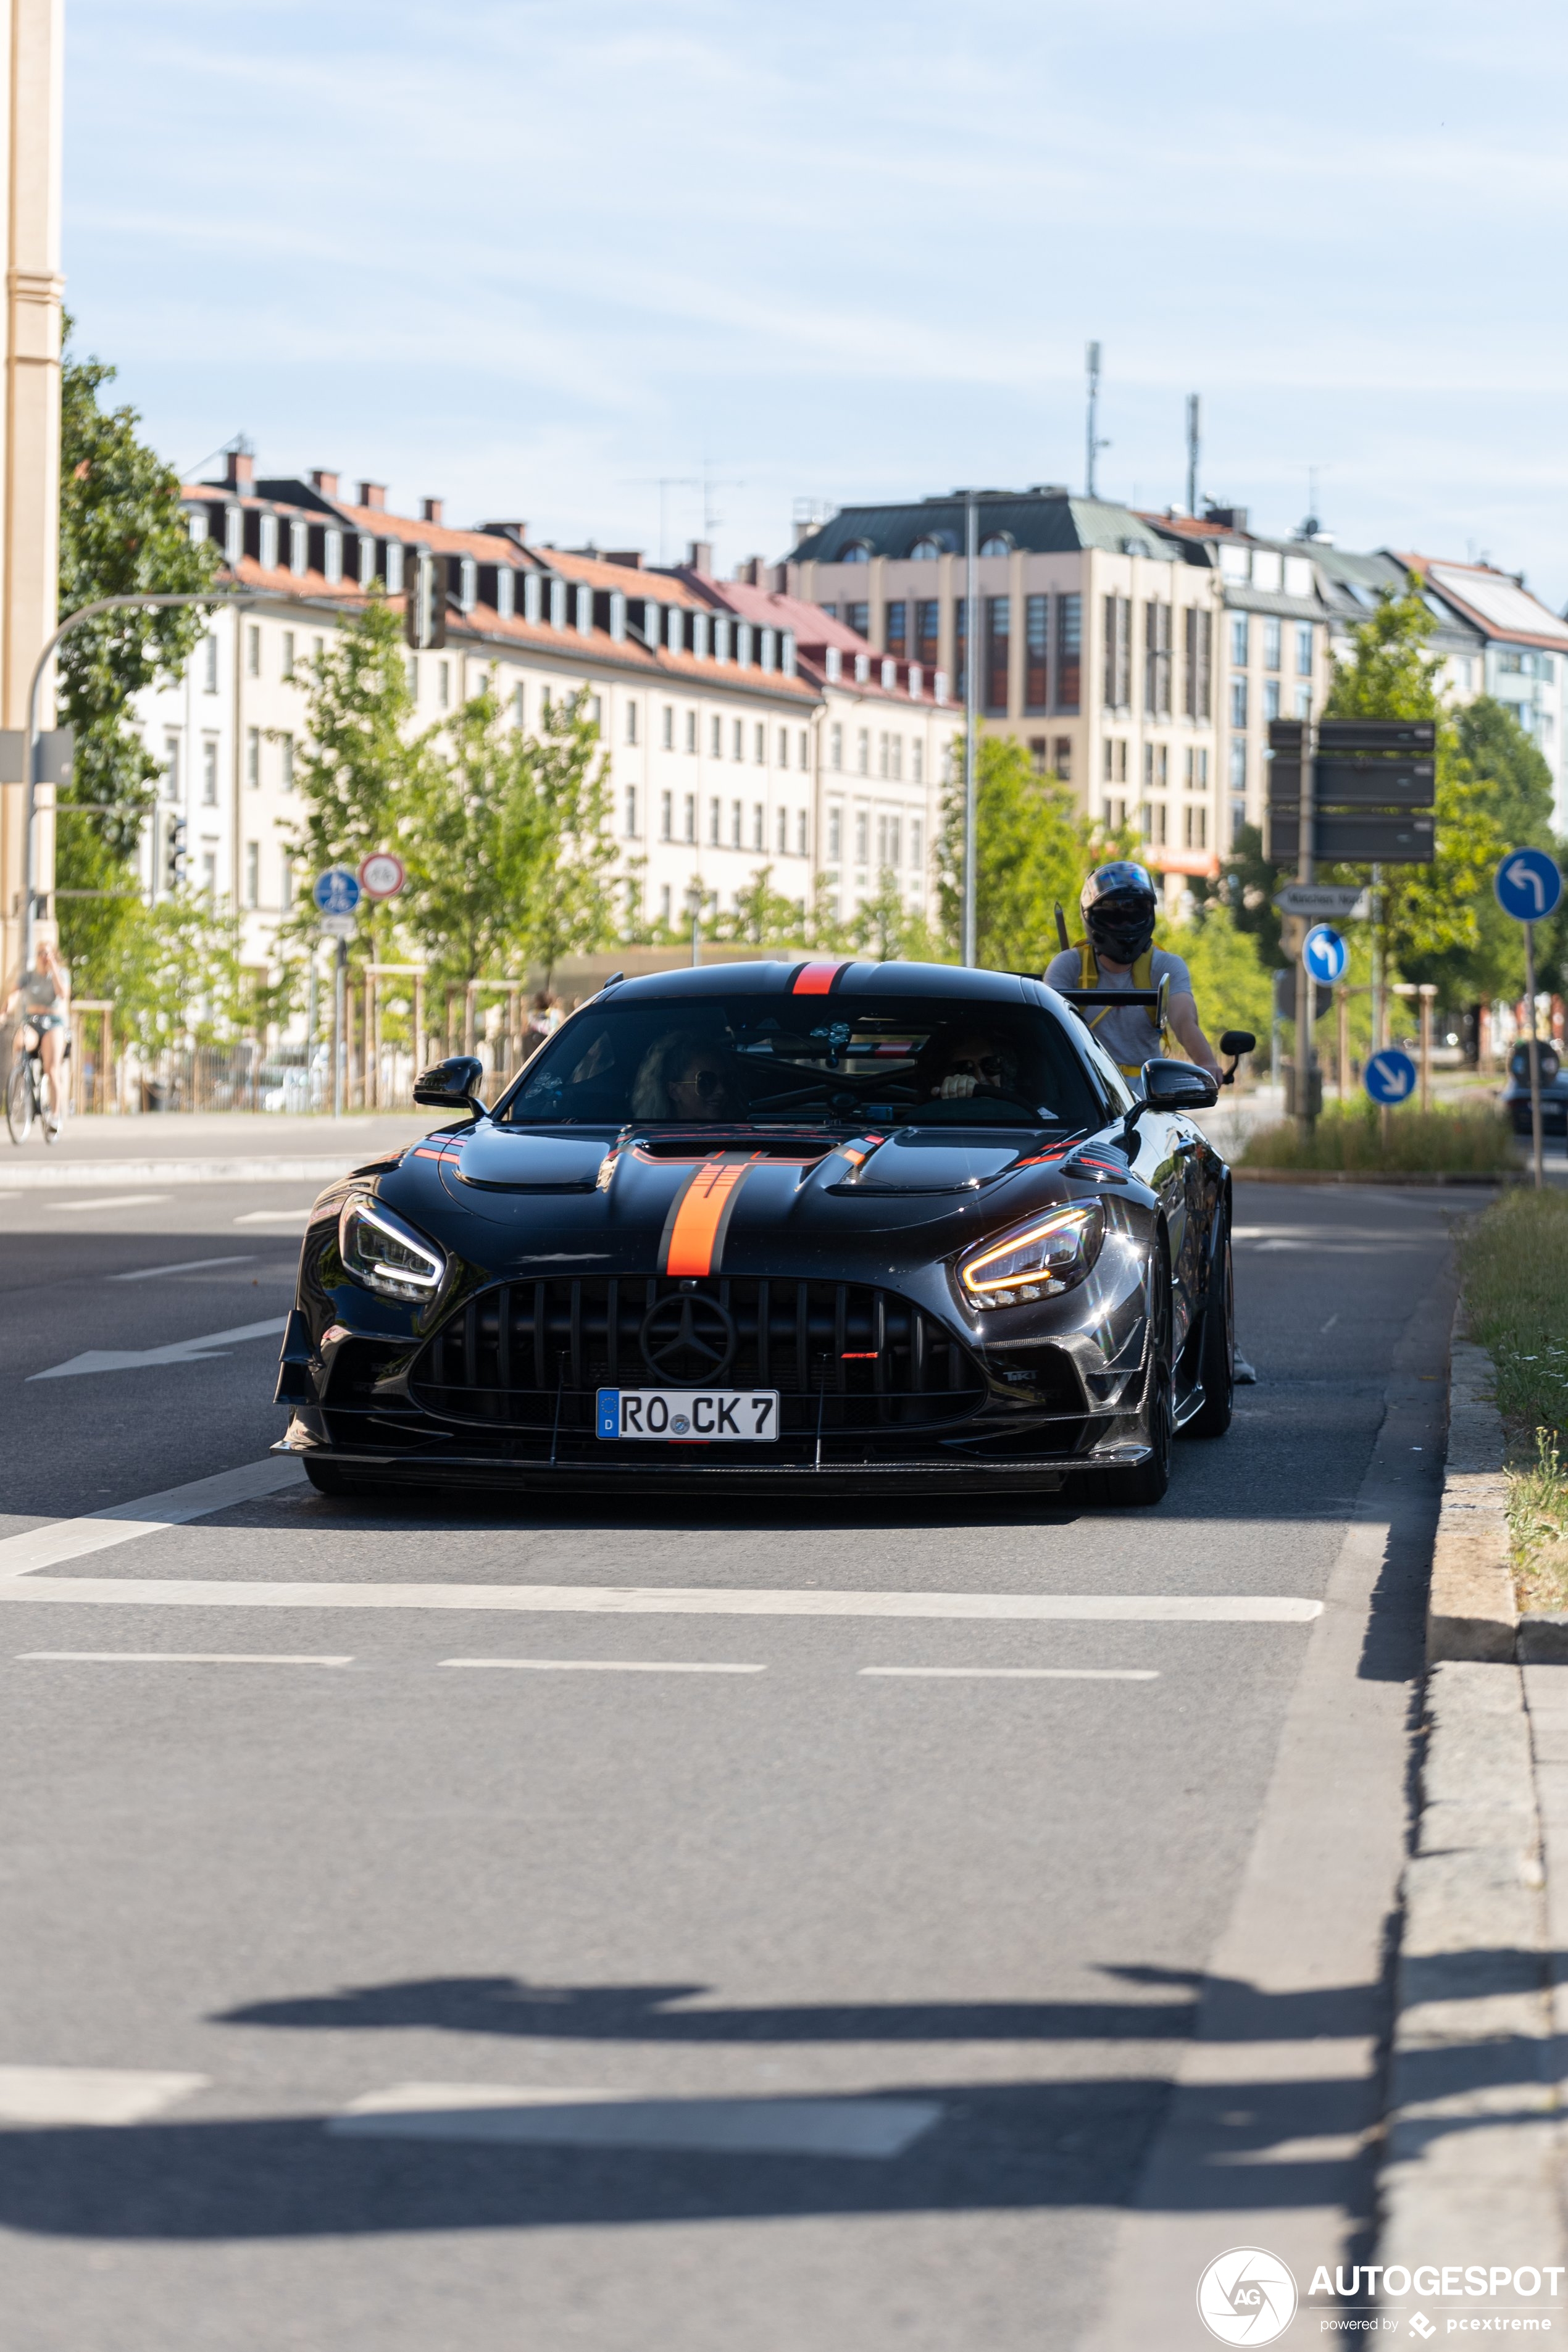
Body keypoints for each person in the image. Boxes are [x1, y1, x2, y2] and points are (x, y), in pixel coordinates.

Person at [1044, 861, 1220, 1086]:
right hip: (1086, 1089)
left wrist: (1206, 1063)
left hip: (1147, 1094)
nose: (1126, 925)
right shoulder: (1068, 965)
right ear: (1092, 916)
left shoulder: (1166, 966)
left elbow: (1184, 1021)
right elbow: (1048, 1032)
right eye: (1114, 916)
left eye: (1136, 913)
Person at [6, 938, 70, 1104]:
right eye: (40, 953)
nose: (43, 957)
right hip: (32, 1023)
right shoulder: (28, 976)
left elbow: (63, 994)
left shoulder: (62, 974)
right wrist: (4, 1011)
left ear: (53, 955)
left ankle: (55, 1116)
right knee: (19, 1043)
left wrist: (54, 969)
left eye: (46, 953)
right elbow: (14, 995)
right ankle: (21, 1084)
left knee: (52, 1070)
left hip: (53, 1024)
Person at [630, 1028, 738, 1122]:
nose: (721, 1090)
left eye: (726, 1080)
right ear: (674, 1091)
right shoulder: (653, 1141)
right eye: (706, 1081)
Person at [924, 1028, 1021, 1101]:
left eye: (990, 1064)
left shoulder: (1021, 1116)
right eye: (964, 1069)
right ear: (943, 1076)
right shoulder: (931, 1121)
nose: (980, 1079)